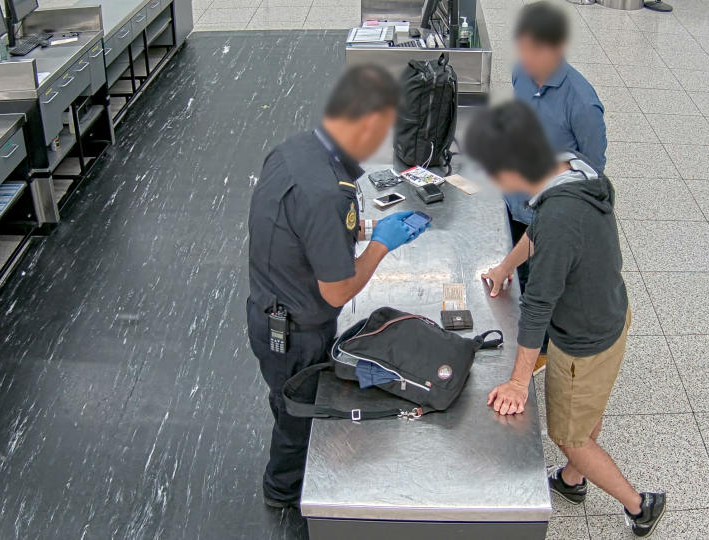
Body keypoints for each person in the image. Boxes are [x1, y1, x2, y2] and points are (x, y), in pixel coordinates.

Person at [466, 101, 665, 538]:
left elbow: (537, 306)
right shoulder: (574, 170)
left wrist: (519, 382)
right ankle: (573, 481)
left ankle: (639, 505)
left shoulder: (558, 215)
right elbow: (541, 234)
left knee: (569, 434)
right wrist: (503, 269)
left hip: (583, 342)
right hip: (613, 313)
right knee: (585, 410)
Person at [247, 65, 428, 508]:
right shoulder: (329, 192)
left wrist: (365, 228)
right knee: (296, 414)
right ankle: (284, 491)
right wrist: (381, 246)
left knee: (286, 400)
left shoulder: (295, 149)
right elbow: (337, 291)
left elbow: (301, 230)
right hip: (295, 333)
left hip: (268, 306)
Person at [487, 1, 608, 373]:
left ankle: (539, 349)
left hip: (549, 211)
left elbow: (591, 171)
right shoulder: (521, 74)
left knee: (543, 284)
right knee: (520, 272)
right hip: (514, 200)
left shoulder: (583, 104)